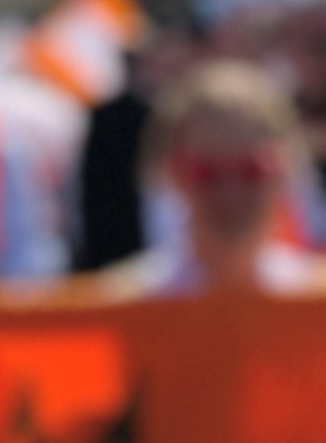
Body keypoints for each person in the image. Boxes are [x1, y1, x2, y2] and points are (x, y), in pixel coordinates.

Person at [102, 61, 326, 296]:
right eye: (208, 173)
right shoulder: (122, 303)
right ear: (173, 173)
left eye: (252, 170)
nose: (231, 191)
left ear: (286, 168)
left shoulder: (315, 300)